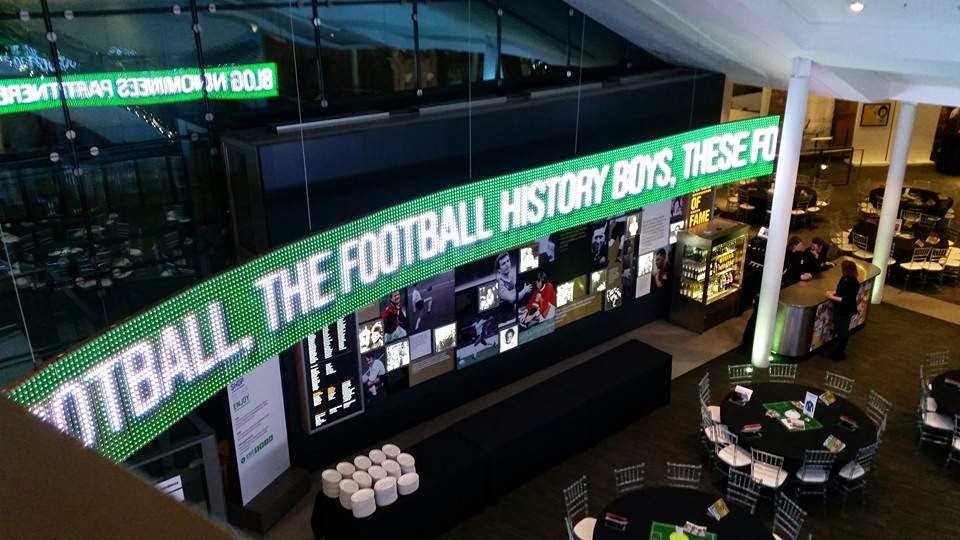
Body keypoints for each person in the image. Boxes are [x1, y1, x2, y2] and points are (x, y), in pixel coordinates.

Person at [825, 260, 860, 360]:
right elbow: (841, 291)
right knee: (840, 330)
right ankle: (838, 351)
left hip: (845, 310)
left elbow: (846, 300)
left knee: (842, 332)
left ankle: (839, 353)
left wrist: (831, 297)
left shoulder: (853, 282)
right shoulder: (845, 278)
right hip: (841, 309)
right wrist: (833, 292)